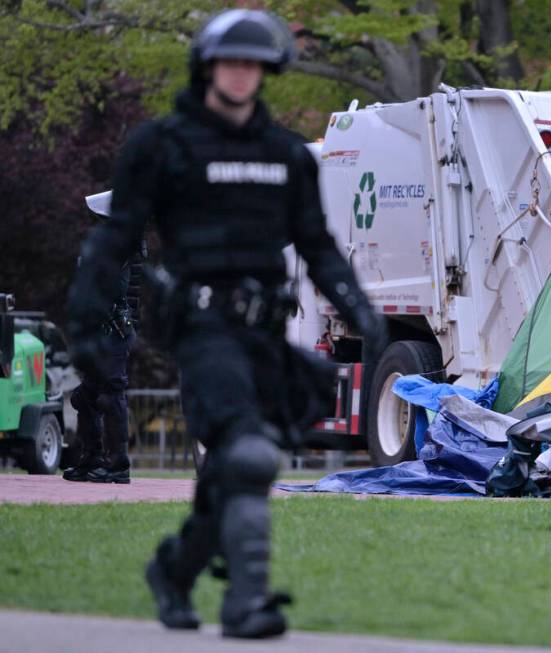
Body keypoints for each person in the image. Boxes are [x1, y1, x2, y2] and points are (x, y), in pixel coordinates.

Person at [67, 9, 387, 639]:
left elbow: (317, 244)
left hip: (265, 332)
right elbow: (114, 243)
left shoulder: (287, 154)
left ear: (265, 73)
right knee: (247, 453)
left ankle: (175, 571)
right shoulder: (162, 146)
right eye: (229, 62)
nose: (241, 75)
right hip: (201, 325)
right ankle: (246, 602)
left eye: (252, 65)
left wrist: (361, 311)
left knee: (234, 466)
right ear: (208, 68)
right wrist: (84, 328)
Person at [62, 237, 143, 484]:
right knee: (85, 397)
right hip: (102, 333)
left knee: (111, 395)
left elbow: (114, 291)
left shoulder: (125, 249)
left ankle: (118, 465)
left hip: (115, 334)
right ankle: (92, 459)